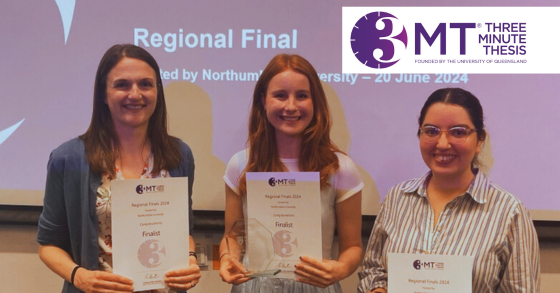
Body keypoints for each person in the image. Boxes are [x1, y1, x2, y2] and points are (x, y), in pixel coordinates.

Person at [37, 44, 200, 293]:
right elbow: (48, 245)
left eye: (145, 84)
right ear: (104, 94)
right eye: (122, 85)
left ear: (157, 91)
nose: (135, 94)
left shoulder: (179, 155)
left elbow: (183, 232)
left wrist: (190, 259)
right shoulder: (68, 158)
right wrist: (79, 277)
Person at [357, 88, 540, 293]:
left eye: (458, 132)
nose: (442, 143)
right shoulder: (397, 198)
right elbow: (373, 271)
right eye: (431, 131)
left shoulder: (509, 211)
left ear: (480, 140)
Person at [218, 53, 364, 293]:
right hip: (254, 287)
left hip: (314, 286)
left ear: (315, 102)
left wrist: (339, 269)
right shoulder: (241, 164)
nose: (291, 106)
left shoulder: (340, 168)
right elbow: (231, 237)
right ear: (263, 100)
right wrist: (227, 258)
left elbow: (353, 247)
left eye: (302, 96)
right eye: (280, 95)